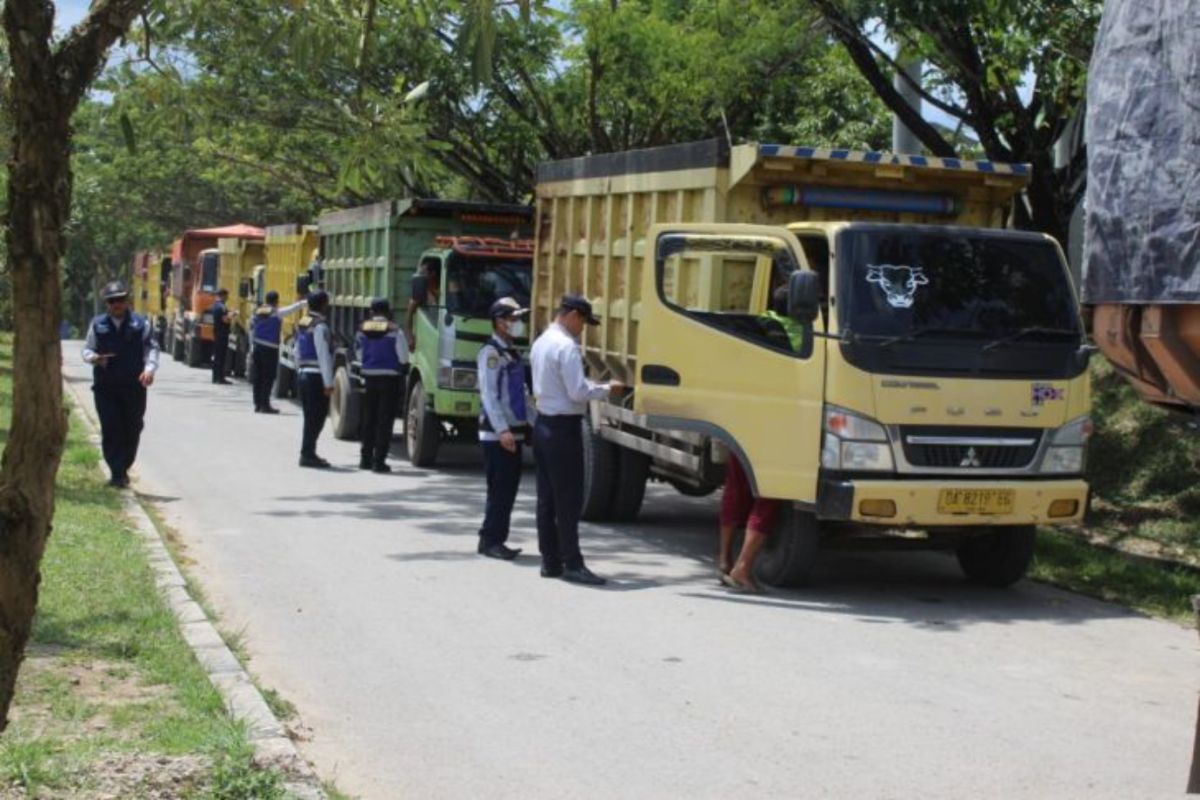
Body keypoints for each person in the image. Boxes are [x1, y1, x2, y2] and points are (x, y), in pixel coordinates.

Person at [529, 294, 624, 586]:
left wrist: (593, 386)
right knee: (568, 500)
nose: (583, 327)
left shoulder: (542, 341)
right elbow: (577, 392)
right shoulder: (566, 347)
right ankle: (572, 562)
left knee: (546, 499)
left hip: (543, 423)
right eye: (583, 321)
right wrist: (609, 388)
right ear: (570, 315)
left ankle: (550, 560)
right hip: (563, 429)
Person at [717, 286, 804, 593]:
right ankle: (743, 568)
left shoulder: (752, 326)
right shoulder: (801, 334)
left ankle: (724, 560)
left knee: (735, 490)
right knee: (769, 495)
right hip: (776, 424)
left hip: (742, 420)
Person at [81, 281, 159, 488]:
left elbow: (151, 349)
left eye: (121, 300)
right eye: (112, 301)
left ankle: (123, 466)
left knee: (132, 427)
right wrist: (94, 358)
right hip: (106, 387)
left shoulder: (141, 324)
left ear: (127, 301)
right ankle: (117, 473)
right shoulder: (97, 324)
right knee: (111, 427)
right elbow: (87, 349)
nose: (117, 304)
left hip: (134, 387)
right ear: (107, 303)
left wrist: (149, 370)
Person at [476, 297, 533, 561]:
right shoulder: (491, 353)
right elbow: (489, 396)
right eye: (513, 319)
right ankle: (490, 540)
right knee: (499, 490)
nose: (517, 324)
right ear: (499, 322)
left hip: (514, 431)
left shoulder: (511, 352)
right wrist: (502, 430)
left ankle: (498, 538)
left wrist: (533, 422)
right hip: (498, 435)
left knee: (508, 490)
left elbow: (520, 394)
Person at [355, 297, 409, 472]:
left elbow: (358, 354)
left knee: (369, 419)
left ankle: (365, 460)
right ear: (387, 312)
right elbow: (403, 356)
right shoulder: (395, 330)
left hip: (369, 378)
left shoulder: (362, 329)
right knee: (384, 421)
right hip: (389, 378)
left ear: (371, 312)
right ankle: (379, 462)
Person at [250, 290, 306, 414]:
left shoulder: (257, 311)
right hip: (269, 349)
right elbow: (292, 308)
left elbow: (252, 328)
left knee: (258, 377)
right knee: (268, 377)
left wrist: (252, 346)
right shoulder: (276, 313)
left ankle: (257, 404)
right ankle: (265, 405)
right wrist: (304, 302)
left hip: (257, 347)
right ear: (276, 301)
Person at [296, 290, 335, 468]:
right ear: (322, 305)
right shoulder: (320, 326)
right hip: (316, 376)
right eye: (326, 303)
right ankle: (307, 454)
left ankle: (308, 452)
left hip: (304, 373)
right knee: (316, 418)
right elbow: (323, 355)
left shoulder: (304, 322)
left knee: (310, 417)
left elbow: (297, 350)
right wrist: (328, 383)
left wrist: (299, 370)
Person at [405, 260, 441, 349]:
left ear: (433, 273)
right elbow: (409, 313)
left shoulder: (444, 288)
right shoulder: (422, 290)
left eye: (423, 273)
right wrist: (409, 337)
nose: (420, 276)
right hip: (429, 335)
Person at [210, 288, 237, 385]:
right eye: (226, 296)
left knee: (217, 356)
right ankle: (220, 378)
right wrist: (232, 315)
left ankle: (215, 377)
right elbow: (225, 320)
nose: (227, 298)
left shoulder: (216, 305)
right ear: (223, 295)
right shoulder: (221, 307)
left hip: (217, 333)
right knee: (221, 357)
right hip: (222, 334)